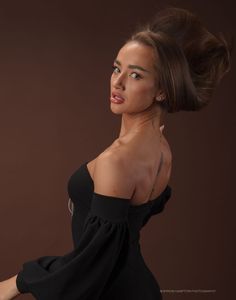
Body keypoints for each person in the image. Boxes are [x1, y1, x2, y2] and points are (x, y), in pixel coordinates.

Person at [0, 5, 232, 300]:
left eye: (135, 75)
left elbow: (91, 266)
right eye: (116, 68)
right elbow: (127, 225)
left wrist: (18, 282)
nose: (117, 82)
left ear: (161, 91)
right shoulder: (161, 148)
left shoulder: (118, 161)